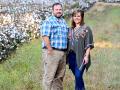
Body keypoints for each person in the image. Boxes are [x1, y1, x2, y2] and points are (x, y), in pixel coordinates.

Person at [41, 3, 68, 90]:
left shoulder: (63, 21)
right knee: (49, 76)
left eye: (60, 9)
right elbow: (45, 35)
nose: (59, 11)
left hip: (62, 52)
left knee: (59, 76)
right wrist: (50, 49)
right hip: (52, 51)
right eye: (56, 9)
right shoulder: (48, 21)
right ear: (53, 11)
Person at [67, 9, 94, 90]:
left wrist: (86, 56)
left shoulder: (86, 28)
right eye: (74, 16)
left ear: (82, 17)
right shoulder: (70, 29)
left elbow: (89, 44)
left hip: (81, 56)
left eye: (78, 16)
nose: (76, 18)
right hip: (71, 56)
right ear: (72, 17)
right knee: (77, 77)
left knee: (78, 75)